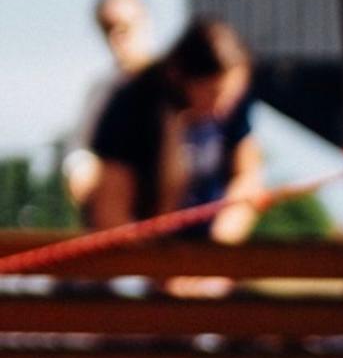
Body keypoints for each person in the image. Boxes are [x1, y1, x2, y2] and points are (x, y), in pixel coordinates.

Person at [86, 15, 265, 244]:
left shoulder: (231, 103)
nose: (223, 109)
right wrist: (155, 268)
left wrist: (219, 251)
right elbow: (110, 208)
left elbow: (248, 177)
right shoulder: (131, 102)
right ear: (179, 75)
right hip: (142, 252)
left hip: (209, 255)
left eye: (233, 97)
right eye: (213, 94)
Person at [62, 0, 155, 206]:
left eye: (123, 27)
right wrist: (81, 168)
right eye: (107, 28)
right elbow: (79, 150)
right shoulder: (102, 90)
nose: (116, 37)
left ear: (146, 22)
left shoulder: (177, 82)